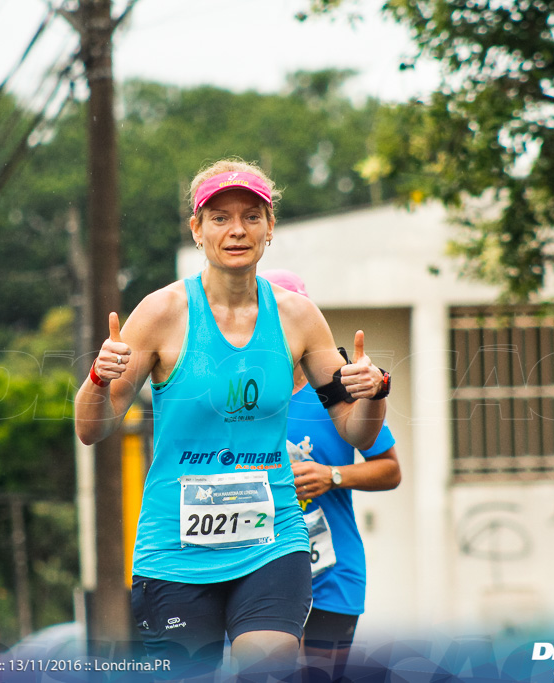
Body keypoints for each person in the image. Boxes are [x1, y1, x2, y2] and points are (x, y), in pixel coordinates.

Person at [74, 159, 390, 681]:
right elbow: (92, 428)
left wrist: (374, 392)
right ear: (197, 229)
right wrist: (97, 379)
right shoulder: (161, 313)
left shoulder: (298, 316)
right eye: (219, 217)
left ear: (270, 228)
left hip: (272, 542)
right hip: (175, 547)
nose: (237, 229)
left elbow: (357, 431)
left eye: (251, 216)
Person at [262, 269, 400, 683]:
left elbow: (390, 470)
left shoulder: (336, 392)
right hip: (258, 567)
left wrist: (332, 476)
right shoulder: (243, 396)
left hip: (332, 572)